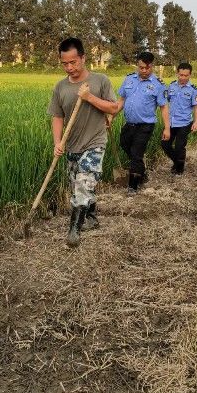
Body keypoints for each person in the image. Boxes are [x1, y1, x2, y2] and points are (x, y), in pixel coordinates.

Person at [47, 37, 117, 247]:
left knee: (83, 183)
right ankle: (92, 218)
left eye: (73, 62)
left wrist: (89, 98)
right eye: (65, 63)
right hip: (72, 145)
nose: (69, 67)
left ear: (83, 58)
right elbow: (57, 117)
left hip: (95, 142)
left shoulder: (100, 81)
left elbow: (113, 108)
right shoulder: (60, 88)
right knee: (80, 185)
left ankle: (73, 231)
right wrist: (57, 142)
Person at [114, 52, 170, 195]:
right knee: (124, 144)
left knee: (136, 153)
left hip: (145, 125)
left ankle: (133, 187)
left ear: (152, 66)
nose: (144, 71)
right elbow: (121, 101)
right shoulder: (128, 79)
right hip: (130, 124)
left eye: (147, 68)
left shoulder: (158, 85)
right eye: (141, 67)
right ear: (137, 65)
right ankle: (141, 170)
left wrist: (167, 128)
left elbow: (164, 108)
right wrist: (110, 117)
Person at [161, 61, 197, 175]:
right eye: (181, 75)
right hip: (171, 123)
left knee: (179, 147)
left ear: (190, 75)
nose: (183, 77)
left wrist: (196, 122)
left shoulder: (194, 89)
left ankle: (179, 170)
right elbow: (165, 102)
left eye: (186, 75)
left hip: (184, 123)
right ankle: (178, 162)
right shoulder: (172, 86)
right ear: (177, 73)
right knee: (164, 144)